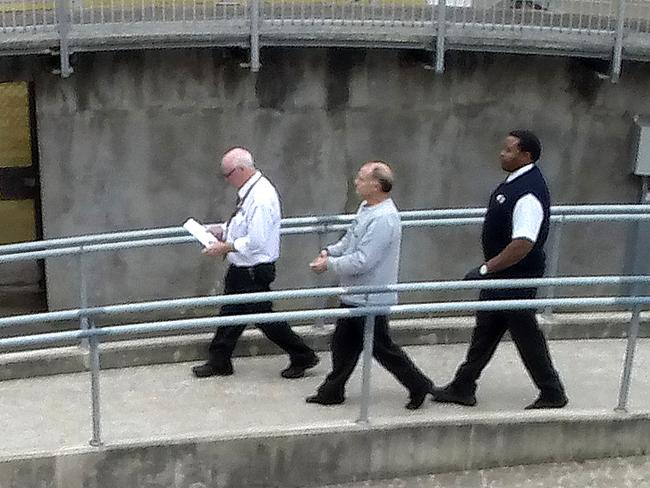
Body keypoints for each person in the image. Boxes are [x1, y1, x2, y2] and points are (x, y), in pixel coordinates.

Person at [433, 130, 568, 409]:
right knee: (487, 328)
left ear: (526, 156)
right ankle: (463, 384)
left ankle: (553, 391)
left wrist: (486, 268)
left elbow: (523, 243)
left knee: (524, 332)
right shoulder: (516, 183)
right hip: (503, 274)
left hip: (516, 274)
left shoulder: (528, 193)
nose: (502, 154)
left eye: (509, 150)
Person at [306, 161, 434, 410]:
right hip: (357, 293)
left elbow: (363, 260)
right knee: (344, 343)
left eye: (361, 178)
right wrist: (329, 251)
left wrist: (329, 264)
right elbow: (350, 240)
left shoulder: (384, 219)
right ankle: (333, 389)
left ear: (376, 185)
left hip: (370, 295)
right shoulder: (367, 209)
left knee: (380, 347)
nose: (356, 182)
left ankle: (418, 384)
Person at [191, 147, 319, 379]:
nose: (227, 180)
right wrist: (222, 230)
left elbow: (257, 240)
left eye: (228, 174)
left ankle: (303, 354)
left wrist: (225, 247)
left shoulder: (260, 197)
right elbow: (244, 226)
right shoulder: (251, 192)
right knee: (232, 313)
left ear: (241, 170)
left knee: (263, 318)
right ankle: (219, 359)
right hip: (243, 266)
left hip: (252, 268)